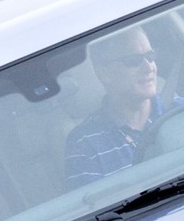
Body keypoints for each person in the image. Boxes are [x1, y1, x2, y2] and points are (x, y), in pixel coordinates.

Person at [65, 26, 173, 187]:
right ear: (104, 73)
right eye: (133, 61)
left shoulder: (183, 112)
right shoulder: (84, 143)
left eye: (150, 56)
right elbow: (95, 209)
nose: (149, 67)